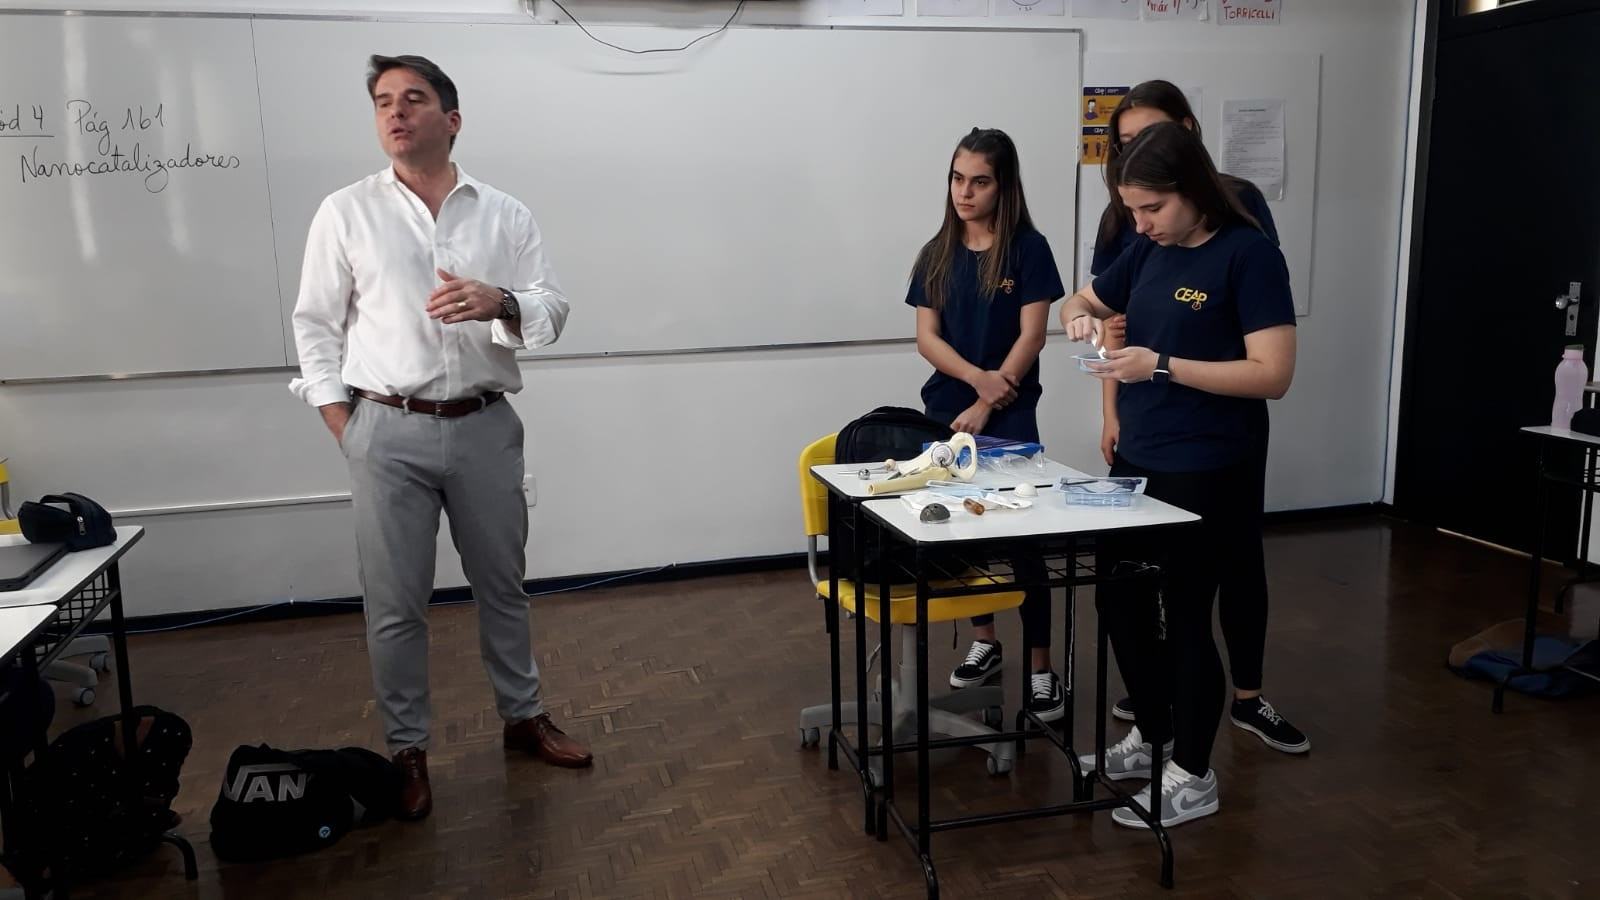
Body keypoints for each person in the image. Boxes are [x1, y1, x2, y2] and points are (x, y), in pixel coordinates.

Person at [290, 54, 592, 822]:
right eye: (383, 101)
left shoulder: (504, 214)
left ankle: (523, 717)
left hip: (484, 426)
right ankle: (408, 751)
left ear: (451, 119)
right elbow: (315, 326)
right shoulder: (345, 212)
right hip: (384, 430)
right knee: (395, 604)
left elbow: (553, 310)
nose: (395, 112)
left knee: (503, 587)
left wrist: (502, 301)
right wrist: (345, 425)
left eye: (413, 99)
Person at [1060, 121, 1297, 828]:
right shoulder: (1146, 249)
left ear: (1192, 189)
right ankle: (1153, 732)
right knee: (1120, 603)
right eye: (1132, 209)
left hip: (1209, 464)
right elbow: (1085, 299)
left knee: (1186, 615)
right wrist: (1079, 316)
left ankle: (1193, 774)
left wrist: (1161, 365)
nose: (1140, 223)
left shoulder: (1249, 256)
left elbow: (1273, 375)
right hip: (1140, 458)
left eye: (1152, 207)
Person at [905, 127, 1067, 721]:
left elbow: (1032, 335)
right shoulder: (936, 252)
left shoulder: (1029, 249)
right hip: (949, 407)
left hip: (1010, 410)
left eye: (979, 181)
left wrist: (992, 398)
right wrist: (977, 382)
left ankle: (1042, 668)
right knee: (961, 534)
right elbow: (927, 337)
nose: (964, 192)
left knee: (1022, 541)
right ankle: (985, 641)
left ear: (1003, 186)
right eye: (957, 178)